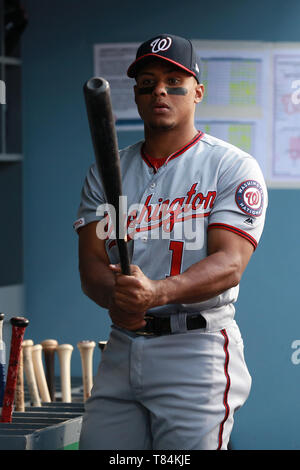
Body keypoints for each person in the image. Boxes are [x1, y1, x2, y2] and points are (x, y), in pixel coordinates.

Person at [74, 33, 267, 450]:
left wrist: (155, 292)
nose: (159, 89)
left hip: (195, 349)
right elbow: (90, 265)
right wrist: (117, 297)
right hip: (124, 344)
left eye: (174, 81)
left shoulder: (230, 166)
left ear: (197, 92)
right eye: (147, 81)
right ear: (138, 95)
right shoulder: (105, 172)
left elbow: (230, 262)